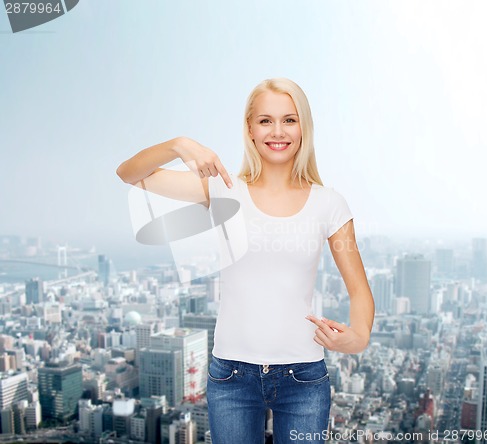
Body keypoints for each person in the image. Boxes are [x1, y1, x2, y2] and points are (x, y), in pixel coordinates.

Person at [116, 78, 374, 444]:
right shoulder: (223, 189)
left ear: (304, 128)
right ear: (250, 129)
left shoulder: (329, 203)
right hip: (231, 377)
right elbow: (129, 174)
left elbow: (359, 290)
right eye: (265, 120)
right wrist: (179, 145)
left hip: (303, 377)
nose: (278, 131)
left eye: (290, 119)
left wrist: (359, 337)